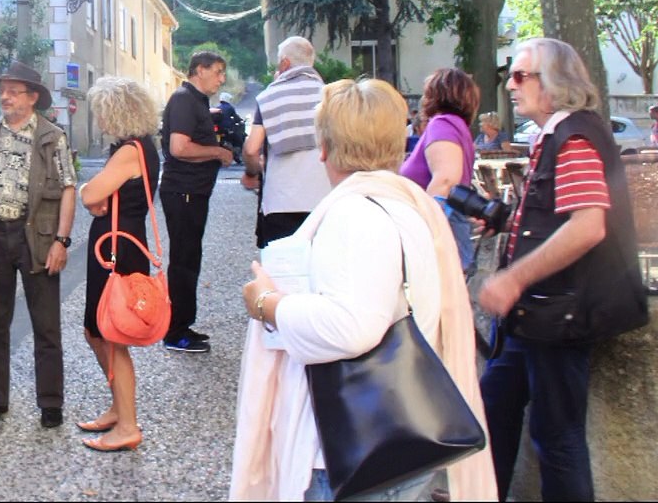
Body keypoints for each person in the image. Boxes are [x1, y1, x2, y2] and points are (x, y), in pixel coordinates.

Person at [231, 78, 496, 501]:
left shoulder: (356, 214)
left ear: (324, 147)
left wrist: (268, 304)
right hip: (399, 430)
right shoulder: (407, 204)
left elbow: (350, 326)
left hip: (353, 449)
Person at [478, 38, 648, 501]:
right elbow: (555, 216)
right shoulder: (558, 133)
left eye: (520, 76)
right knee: (494, 407)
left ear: (555, 82)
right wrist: (506, 222)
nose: (509, 86)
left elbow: (588, 226)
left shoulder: (572, 137)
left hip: (559, 314)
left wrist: (513, 277)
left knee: (557, 436)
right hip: (537, 314)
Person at [0, 62, 76, 429]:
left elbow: (69, 188)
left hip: (37, 237)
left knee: (46, 325)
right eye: (3, 90)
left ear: (32, 97)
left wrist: (61, 240)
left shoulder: (51, 136)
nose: (4, 96)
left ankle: (51, 403)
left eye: (12, 90)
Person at [78, 76, 160, 452]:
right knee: (99, 331)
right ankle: (118, 407)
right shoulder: (144, 148)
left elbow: (93, 193)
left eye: (101, 112)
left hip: (115, 249)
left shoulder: (129, 151)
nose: (99, 120)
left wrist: (88, 192)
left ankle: (127, 424)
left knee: (110, 335)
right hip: (124, 241)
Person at [158, 51, 235, 353]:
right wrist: (218, 152)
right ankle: (175, 332)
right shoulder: (184, 99)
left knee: (189, 260)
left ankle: (183, 325)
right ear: (199, 70)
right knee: (183, 262)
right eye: (217, 71)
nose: (221, 78)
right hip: (183, 191)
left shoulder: (195, 100)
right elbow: (179, 147)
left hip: (192, 192)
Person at [241, 37, 331, 249]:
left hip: (281, 200)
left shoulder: (270, 96)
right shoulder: (331, 96)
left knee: (282, 272)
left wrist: (252, 172)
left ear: (285, 63)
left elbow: (252, 148)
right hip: (324, 199)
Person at [401, 68, 481, 272]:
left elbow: (445, 180)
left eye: (427, 93)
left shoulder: (443, 123)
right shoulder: (456, 126)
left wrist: (422, 233)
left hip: (444, 233)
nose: (424, 99)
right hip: (452, 227)